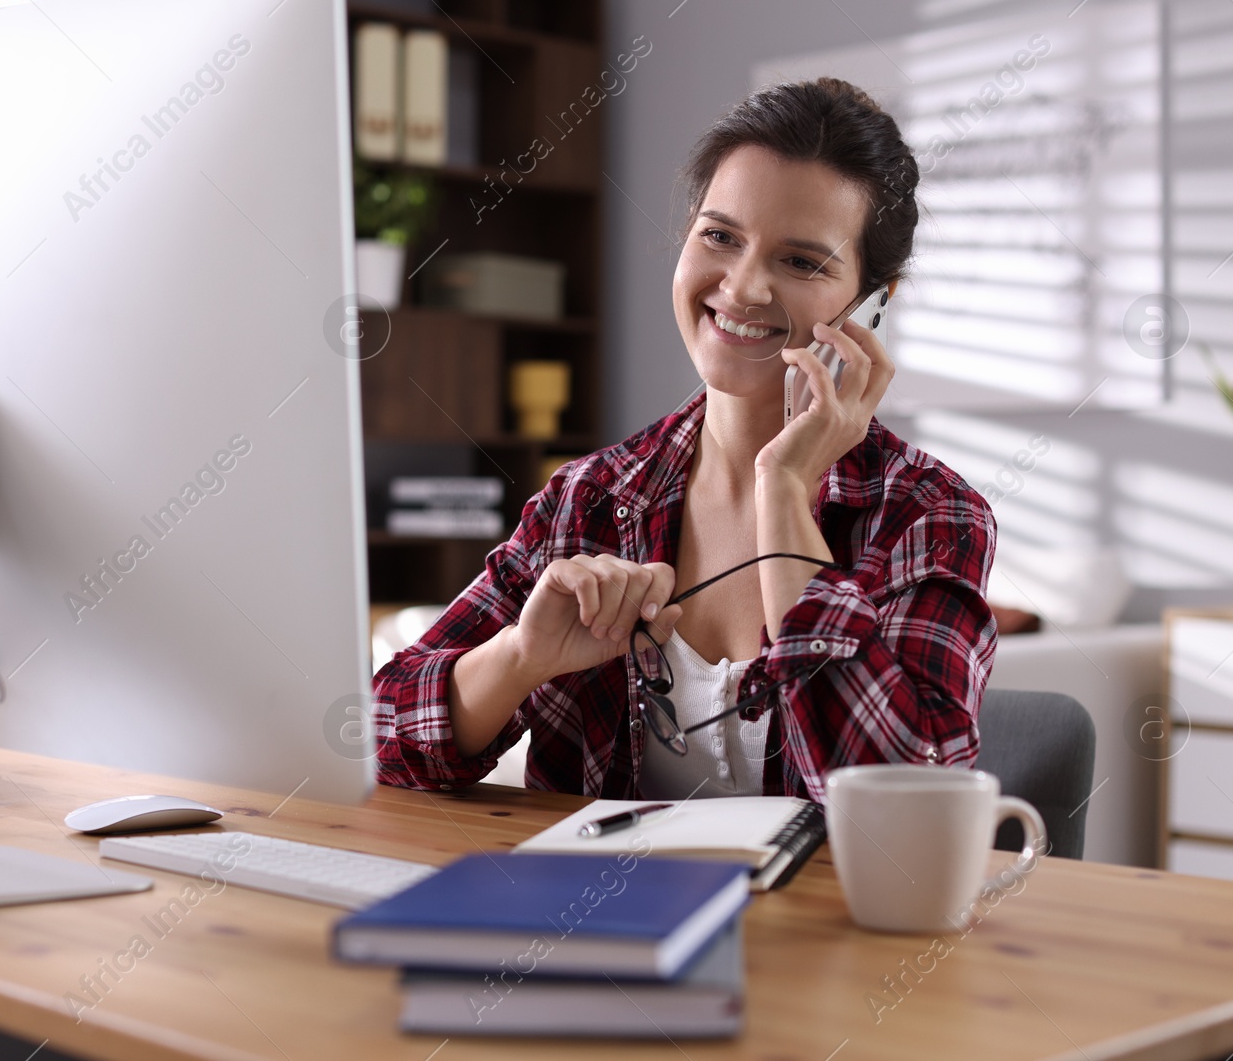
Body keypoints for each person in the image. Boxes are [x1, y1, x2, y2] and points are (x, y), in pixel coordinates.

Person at [372, 78, 998, 802]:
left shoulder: (929, 514)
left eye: (800, 261)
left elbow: (909, 802)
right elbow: (382, 734)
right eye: (721, 236)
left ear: (875, 303)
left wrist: (785, 491)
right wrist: (521, 656)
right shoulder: (591, 500)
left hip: (818, 919)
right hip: (595, 914)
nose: (741, 288)